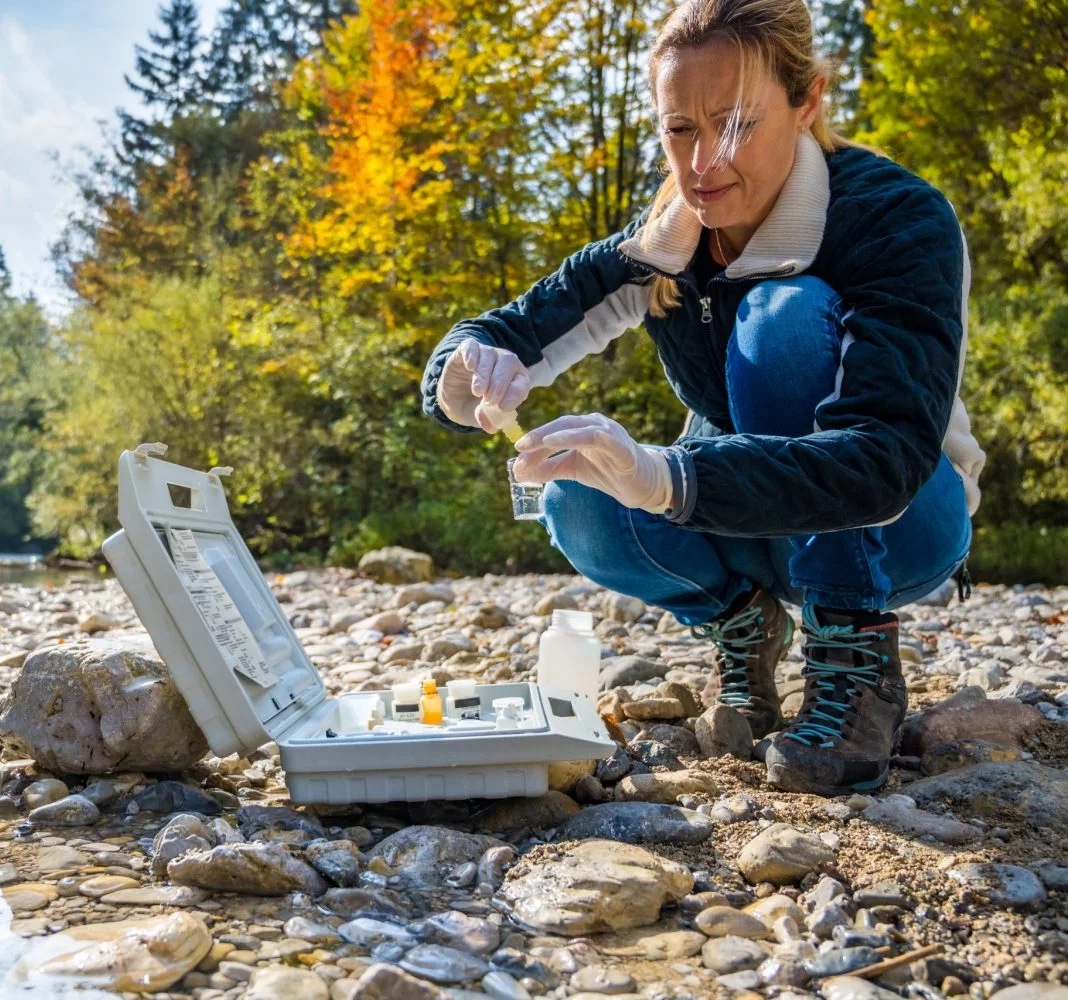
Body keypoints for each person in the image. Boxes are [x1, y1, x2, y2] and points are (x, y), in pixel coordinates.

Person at [420, 0, 985, 797]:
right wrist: (466, 371)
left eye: (735, 124)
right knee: (575, 489)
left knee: (779, 320)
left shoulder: (896, 217)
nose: (702, 164)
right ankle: (743, 622)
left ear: (808, 101)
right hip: (744, 522)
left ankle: (854, 652)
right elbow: (497, 331)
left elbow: (886, 462)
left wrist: (667, 479)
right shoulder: (658, 243)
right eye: (678, 129)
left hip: (904, 523)